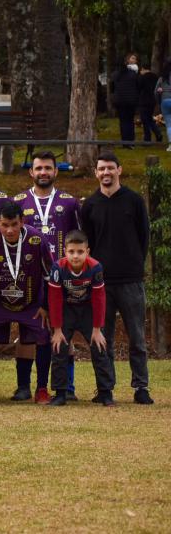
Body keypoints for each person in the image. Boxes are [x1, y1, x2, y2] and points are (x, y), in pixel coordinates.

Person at [80, 152, 153, 404]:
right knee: (102, 338)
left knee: (137, 336)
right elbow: (86, 243)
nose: (106, 173)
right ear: (96, 173)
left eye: (110, 168)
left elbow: (144, 237)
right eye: (101, 169)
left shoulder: (133, 201)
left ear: (119, 170)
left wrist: (134, 263)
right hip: (100, 282)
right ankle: (105, 388)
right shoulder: (90, 205)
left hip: (131, 280)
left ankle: (141, 388)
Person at [13, 151, 82, 399]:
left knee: (65, 330)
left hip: (63, 278)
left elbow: (81, 240)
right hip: (29, 278)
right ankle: (23, 387)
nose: (43, 172)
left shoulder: (71, 202)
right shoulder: (19, 201)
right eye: (39, 168)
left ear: (55, 171)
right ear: (31, 172)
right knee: (27, 330)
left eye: (48, 168)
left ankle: (68, 387)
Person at [0, 201, 53, 404]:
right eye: (4, 225)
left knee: (43, 336)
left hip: (31, 302)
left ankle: (40, 389)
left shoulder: (37, 239)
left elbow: (49, 276)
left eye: (14, 224)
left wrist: (45, 306)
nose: (9, 230)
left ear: (23, 222)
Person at [48, 230, 114, 407]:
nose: (75, 256)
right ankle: (60, 393)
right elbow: (54, 298)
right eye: (71, 252)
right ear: (65, 251)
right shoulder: (58, 267)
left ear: (87, 251)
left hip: (87, 309)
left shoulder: (95, 267)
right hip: (66, 309)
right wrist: (57, 329)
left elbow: (99, 298)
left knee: (99, 347)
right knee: (58, 347)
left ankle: (105, 393)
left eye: (80, 252)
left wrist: (97, 329)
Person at [111, 52, 140, 148]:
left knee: (123, 121)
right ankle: (131, 141)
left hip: (120, 101)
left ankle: (125, 142)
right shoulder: (132, 74)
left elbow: (112, 87)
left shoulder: (115, 75)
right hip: (131, 100)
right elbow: (137, 86)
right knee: (130, 121)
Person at [137, 64, 162, 143]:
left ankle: (147, 138)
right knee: (149, 118)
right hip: (152, 100)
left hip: (143, 100)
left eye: (140, 71)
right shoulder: (155, 77)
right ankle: (158, 133)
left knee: (145, 119)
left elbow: (139, 88)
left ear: (143, 69)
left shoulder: (142, 77)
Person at [155, 58, 171, 152]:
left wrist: (159, 101)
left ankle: (170, 145)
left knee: (169, 125)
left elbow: (155, 92)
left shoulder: (162, 78)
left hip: (165, 101)